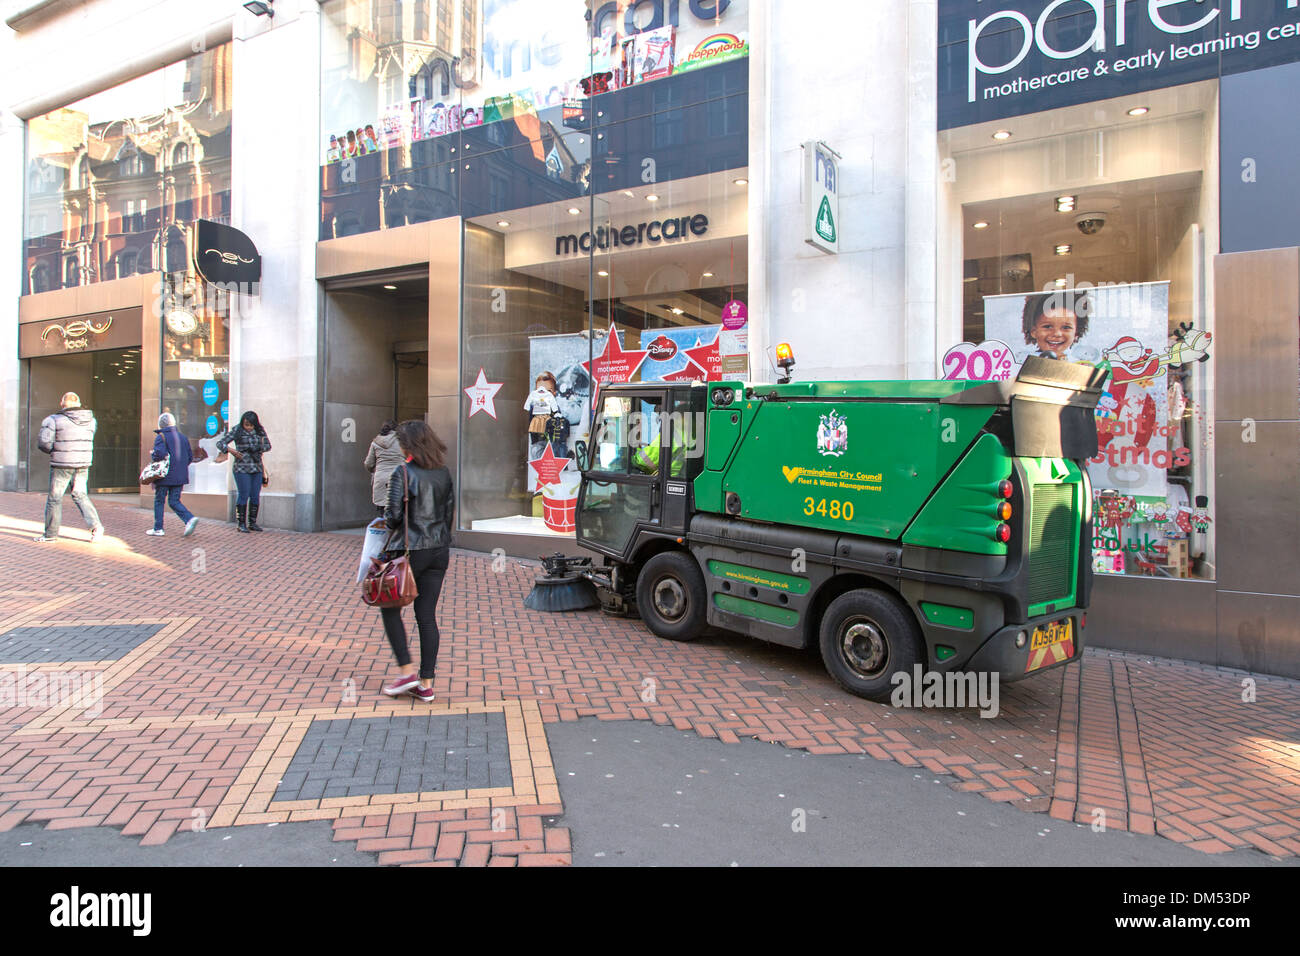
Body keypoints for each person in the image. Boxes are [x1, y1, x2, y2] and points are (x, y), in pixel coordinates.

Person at [378, 420, 454, 703]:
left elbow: (393, 517)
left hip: (411, 551)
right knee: (426, 616)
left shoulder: (403, 473)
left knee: (389, 608)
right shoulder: (444, 473)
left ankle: (406, 671)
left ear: (408, 445)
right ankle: (426, 683)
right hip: (439, 550)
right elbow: (448, 516)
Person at [34, 391, 104, 543]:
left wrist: (56, 450)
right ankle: (96, 527)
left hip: (62, 464)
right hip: (82, 463)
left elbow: (44, 443)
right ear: (78, 404)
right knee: (80, 495)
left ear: (62, 404)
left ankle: (50, 534)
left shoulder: (53, 420)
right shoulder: (91, 420)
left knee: (55, 498)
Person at [216, 411, 271, 533]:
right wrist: (232, 451)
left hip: (256, 466)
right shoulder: (237, 430)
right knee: (244, 494)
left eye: (251, 425)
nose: (249, 427)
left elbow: (268, 446)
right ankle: (241, 524)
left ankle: (253, 523)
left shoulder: (260, 431)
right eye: (246, 424)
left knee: (255, 495)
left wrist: (258, 448)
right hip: (242, 467)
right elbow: (220, 443)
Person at [146, 413, 199, 537]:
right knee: (174, 501)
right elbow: (189, 457)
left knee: (159, 500)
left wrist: (153, 454)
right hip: (179, 476)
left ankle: (158, 528)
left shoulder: (161, 437)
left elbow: (160, 454)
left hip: (164, 475)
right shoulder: (183, 437)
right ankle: (189, 519)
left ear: (161, 424)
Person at [1021, 289, 1090, 361]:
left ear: (1076, 333)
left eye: (1066, 327)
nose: (1057, 334)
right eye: (1048, 327)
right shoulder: (1026, 361)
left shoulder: (1078, 364)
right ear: (1034, 331)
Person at [364, 420, 404, 517]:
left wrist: (375, 471)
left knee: (383, 509)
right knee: (399, 508)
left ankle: (385, 528)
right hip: (398, 477)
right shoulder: (403, 442)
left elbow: (368, 463)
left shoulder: (376, 442)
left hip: (381, 478)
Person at [524, 371, 560, 459]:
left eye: (548, 391)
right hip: (538, 440)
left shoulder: (555, 407)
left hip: (552, 441)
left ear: (555, 392)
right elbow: (530, 420)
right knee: (538, 455)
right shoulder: (534, 407)